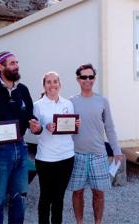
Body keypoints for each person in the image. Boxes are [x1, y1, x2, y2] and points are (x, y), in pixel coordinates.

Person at [0, 51, 42, 224]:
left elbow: (31, 117)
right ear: (0, 67)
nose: (16, 65)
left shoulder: (23, 90)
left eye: (17, 62)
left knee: (20, 198)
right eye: (12, 63)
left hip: (22, 148)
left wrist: (36, 127)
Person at [68, 63, 124, 224]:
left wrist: (117, 150)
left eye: (91, 77)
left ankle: (98, 222)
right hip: (77, 154)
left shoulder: (102, 101)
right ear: (78, 79)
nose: (87, 80)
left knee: (99, 193)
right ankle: (79, 222)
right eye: (84, 77)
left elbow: (110, 128)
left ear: (94, 79)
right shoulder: (70, 102)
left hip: (99, 155)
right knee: (77, 192)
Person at [33, 72, 79, 224]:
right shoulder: (38, 105)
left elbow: (70, 128)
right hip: (46, 158)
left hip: (66, 157)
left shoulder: (68, 104)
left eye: (55, 81)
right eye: (48, 82)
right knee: (46, 197)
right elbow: (33, 130)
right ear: (44, 86)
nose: (52, 85)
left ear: (60, 84)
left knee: (59, 197)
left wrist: (75, 125)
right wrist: (44, 127)